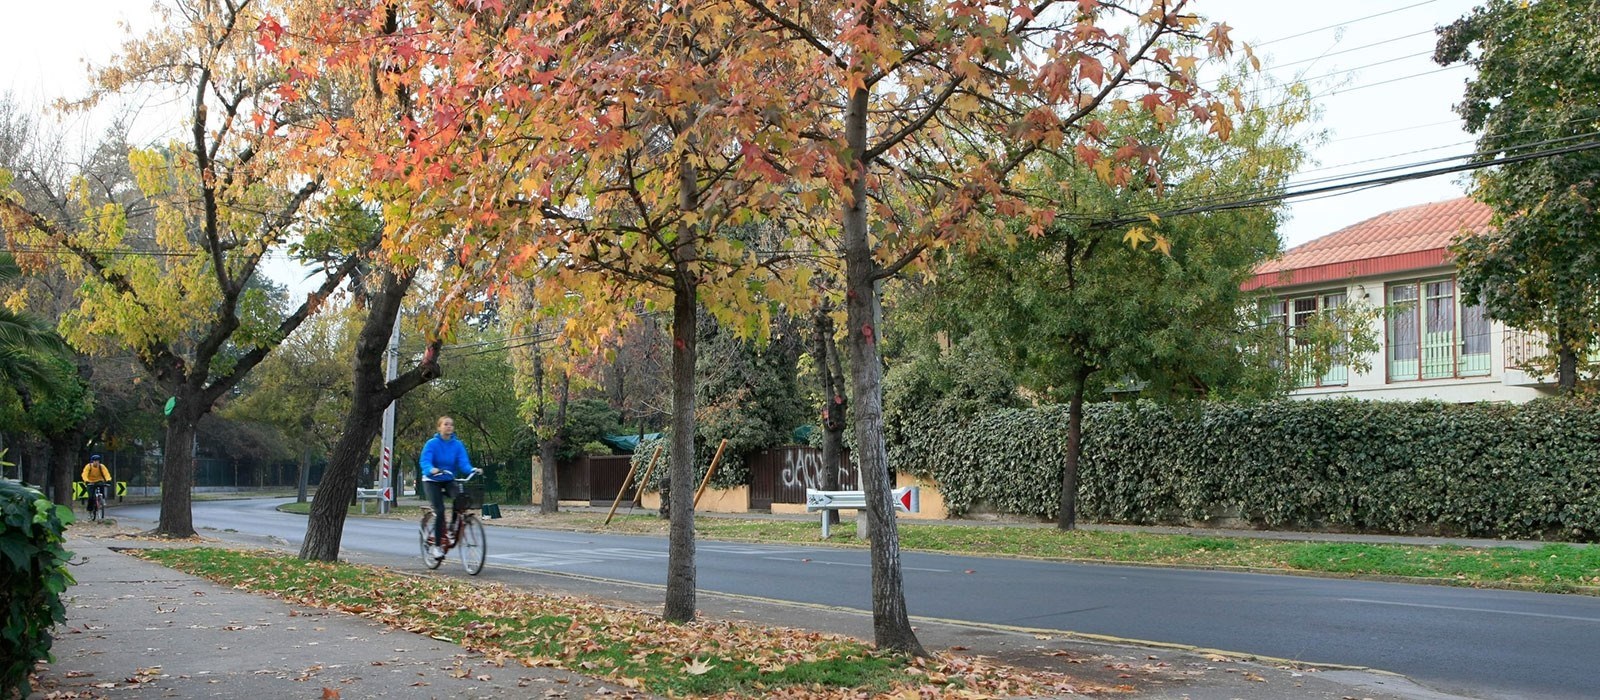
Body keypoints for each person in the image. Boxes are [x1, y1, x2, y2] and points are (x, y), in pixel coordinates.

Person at [419, 416, 476, 560]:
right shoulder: (432, 444)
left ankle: (452, 527)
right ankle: (438, 546)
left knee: (460, 498)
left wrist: (472, 470)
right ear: (439, 427)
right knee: (440, 510)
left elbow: (463, 463)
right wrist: (431, 469)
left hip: (448, 478)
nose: (449, 427)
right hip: (432, 480)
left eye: (451, 424)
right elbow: (425, 461)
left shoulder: (457, 445)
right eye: (446, 424)